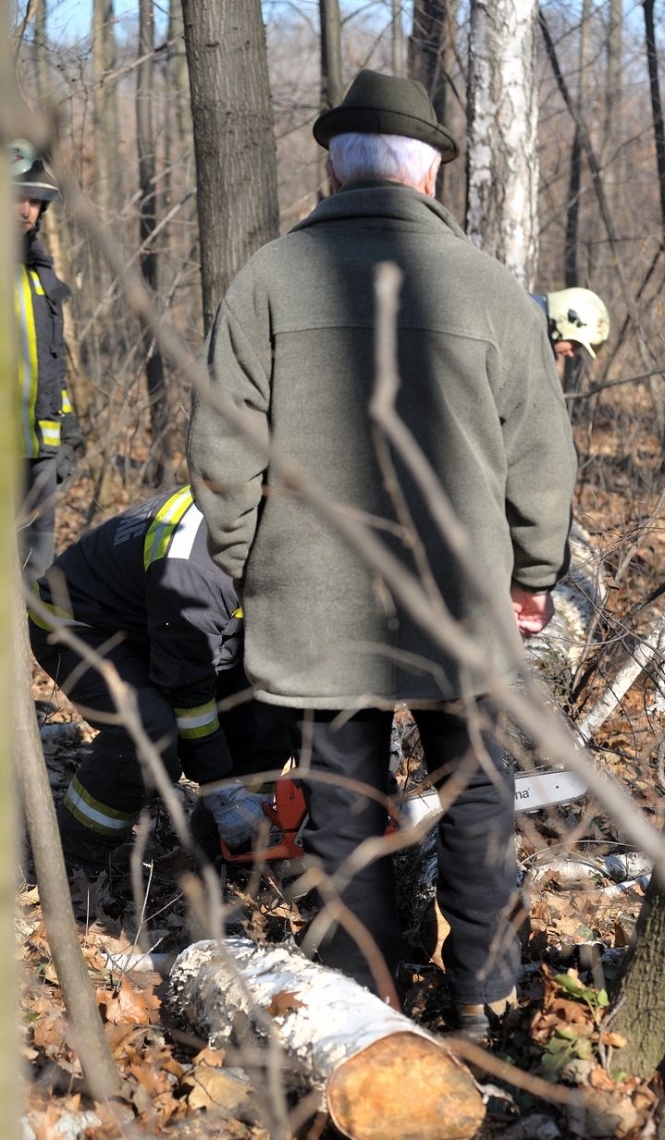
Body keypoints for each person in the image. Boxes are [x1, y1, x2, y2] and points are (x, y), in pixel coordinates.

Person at [187, 69, 577, 1035]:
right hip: (460, 594)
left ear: (334, 165)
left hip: (313, 599)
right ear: (431, 177)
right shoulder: (491, 289)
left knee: (340, 813)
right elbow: (541, 458)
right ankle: (485, 996)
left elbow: (222, 457)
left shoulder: (268, 279)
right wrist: (532, 576)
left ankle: (362, 1013)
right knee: (477, 796)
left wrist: (248, 564)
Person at [28, 485, 293, 879]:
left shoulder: (277, 522)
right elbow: (187, 691)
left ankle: (220, 856)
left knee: (264, 709)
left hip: (156, 622)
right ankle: (74, 862)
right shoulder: (196, 571)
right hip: (77, 622)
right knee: (151, 731)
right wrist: (220, 788)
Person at [12, 138, 85, 583]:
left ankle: (36, 652)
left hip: (41, 453)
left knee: (38, 573)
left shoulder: (41, 276)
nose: (25, 209)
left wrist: (68, 431)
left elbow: (50, 365)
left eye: (35, 200)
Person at [531, 287, 610, 359]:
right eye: (575, 345)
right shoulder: (525, 331)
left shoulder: (533, 339)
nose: (571, 354)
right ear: (566, 324)